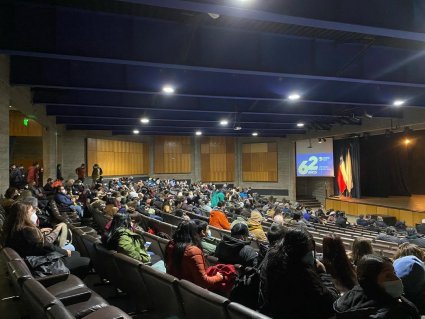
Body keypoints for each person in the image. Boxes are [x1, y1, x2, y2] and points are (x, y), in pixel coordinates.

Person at [260, 228, 339, 318]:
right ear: (299, 254)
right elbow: (331, 303)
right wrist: (323, 274)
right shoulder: (304, 276)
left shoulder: (272, 262)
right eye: (309, 251)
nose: (312, 255)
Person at [3, 202, 90, 278]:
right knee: (84, 260)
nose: (34, 213)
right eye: (31, 211)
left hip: (31, 261)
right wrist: (66, 252)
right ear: (23, 215)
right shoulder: (27, 230)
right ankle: (68, 281)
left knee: (75, 254)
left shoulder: (13, 228)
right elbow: (46, 247)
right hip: (40, 265)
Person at [334, 254, 420, 319]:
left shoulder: (344, 300)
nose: (397, 279)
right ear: (370, 281)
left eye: (394, 273)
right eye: (387, 276)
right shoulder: (394, 314)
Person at [164, 220, 223, 289]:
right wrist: (218, 277)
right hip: (190, 290)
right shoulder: (193, 251)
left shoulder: (170, 244)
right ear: (194, 233)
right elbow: (203, 283)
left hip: (174, 285)